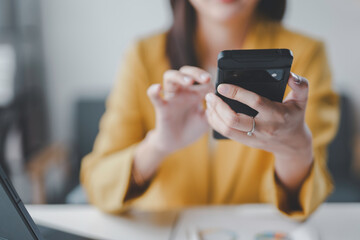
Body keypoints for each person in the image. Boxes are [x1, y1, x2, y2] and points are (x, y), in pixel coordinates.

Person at [80, 0, 339, 220]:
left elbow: (305, 202)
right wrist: (159, 145)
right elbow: (99, 186)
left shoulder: (306, 55)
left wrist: (293, 149)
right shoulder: (142, 56)